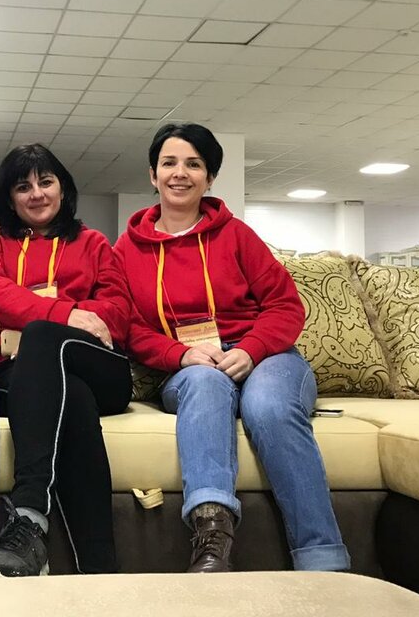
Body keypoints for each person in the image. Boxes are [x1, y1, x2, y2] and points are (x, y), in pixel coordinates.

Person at [113, 123, 349, 574]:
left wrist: (252, 349)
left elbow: (285, 306)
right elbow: (129, 326)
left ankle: (323, 558)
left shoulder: (237, 235)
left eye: (193, 164)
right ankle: (212, 541)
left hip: (265, 356)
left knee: (268, 408)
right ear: (152, 174)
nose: (180, 173)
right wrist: (181, 355)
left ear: (209, 178)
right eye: (169, 163)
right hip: (189, 365)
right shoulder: (126, 250)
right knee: (205, 384)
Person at [0, 144, 132, 578]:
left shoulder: (93, 243)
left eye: (46, 182)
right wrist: (70, 312)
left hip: (100, 371)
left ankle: (29, 516)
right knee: (71, 397)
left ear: (63, 189)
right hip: (18, 376)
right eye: (23, 187)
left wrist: (49, 319)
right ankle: (99, 572)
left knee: (42, 336)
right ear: (9, 199)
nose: (37, 193)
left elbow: (118, 313)